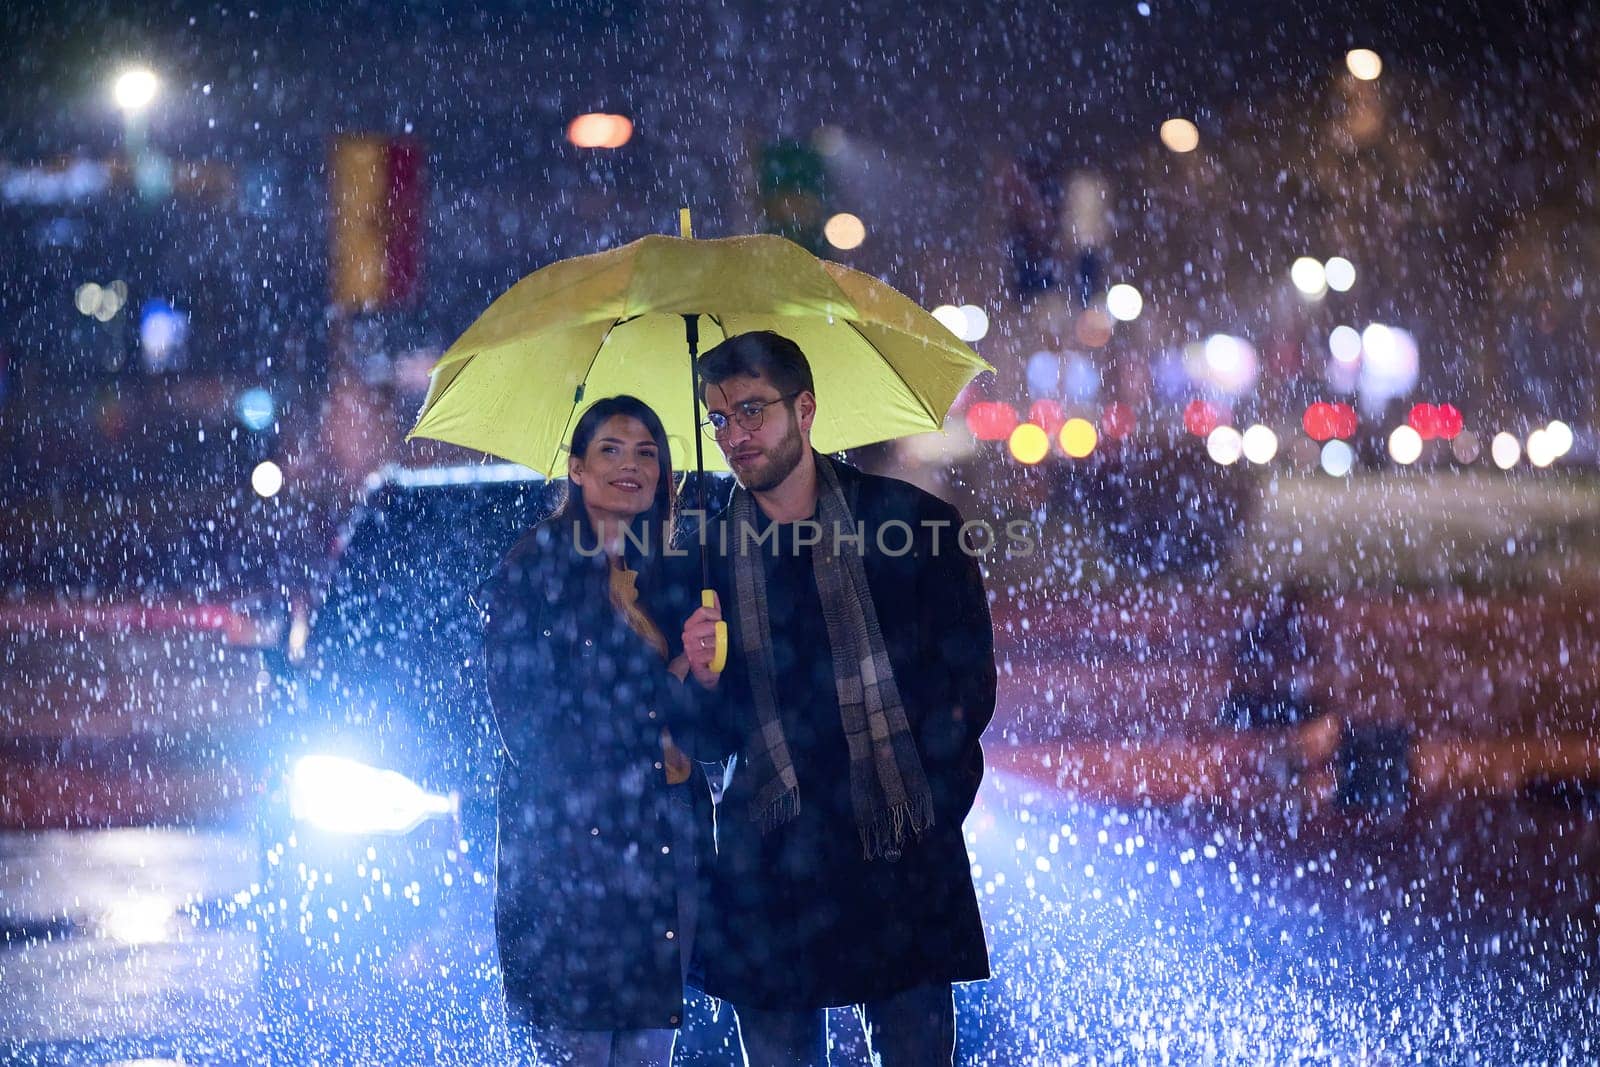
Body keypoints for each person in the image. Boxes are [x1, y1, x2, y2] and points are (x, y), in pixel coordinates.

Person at [674, 331, 996, 1067]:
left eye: (752, 409)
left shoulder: (911, 528)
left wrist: (933, 800)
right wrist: (702, 674)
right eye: (720, 418)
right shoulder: (706, 555)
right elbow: (704, 737)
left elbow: (966, 686)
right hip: (774, 857)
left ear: (806, 407)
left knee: (915, 1051)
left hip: (894, 847)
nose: (735, 435)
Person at [483, 395, 713, 1067]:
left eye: (647, 452)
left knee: (648, 1050)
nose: (631, 466)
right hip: (569, 851)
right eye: (611, 449)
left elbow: (705, 725)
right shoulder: (536, 568)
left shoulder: (677, 571)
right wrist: (662, 686)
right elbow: (528, 721)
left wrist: (700, 670)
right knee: (578, 1045)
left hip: (663, 840)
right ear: (577, 468)